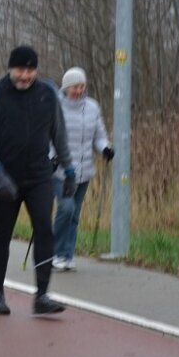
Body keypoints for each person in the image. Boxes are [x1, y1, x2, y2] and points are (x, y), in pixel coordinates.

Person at [0, 45, 75, 316]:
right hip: (5, 177)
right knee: (1, 234)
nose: (25, 75)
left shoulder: (48, 94)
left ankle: (42, 295)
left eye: (31, 70)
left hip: (40, 176)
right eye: (20, 69)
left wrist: (69, 170)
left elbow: (59, 135)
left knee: (44, 230)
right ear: (10, 68)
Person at [52, 67, 113, 271]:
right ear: (66, 87)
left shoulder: (92, 107)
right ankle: (54, 252)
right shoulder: (56, 106)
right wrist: (51, 157)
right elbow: (46, 136)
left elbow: (99, 135)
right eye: (74, 87)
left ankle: (67, 256)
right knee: (66, 208)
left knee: (74, 214)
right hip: (60, 170)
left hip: (85, 170)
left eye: (82, 86)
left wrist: (105, 148)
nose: (79, 90)